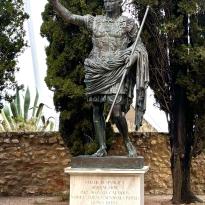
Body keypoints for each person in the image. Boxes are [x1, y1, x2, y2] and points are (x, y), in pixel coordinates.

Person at [51, 0, 149, 157]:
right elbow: (70, 17)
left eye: (111, 1)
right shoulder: (94, 21)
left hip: (116, 69)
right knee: (96, 109)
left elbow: (140, 46)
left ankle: (127, 142)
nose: (107, 4)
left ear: (119, 3)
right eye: (105, 1)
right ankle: (102, 147)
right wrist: (54, 3)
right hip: (95, 70)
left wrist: (134, 57)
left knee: (116, 112)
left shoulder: (128, 24)